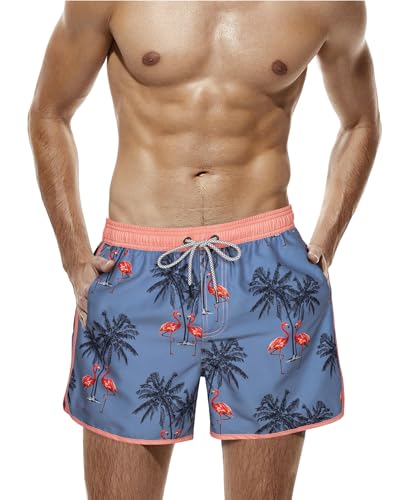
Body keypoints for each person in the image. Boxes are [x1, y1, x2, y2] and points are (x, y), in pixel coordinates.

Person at [28, 1, 380, 499]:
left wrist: (327, 240)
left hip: (265, 274)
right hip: (136, 271)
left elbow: (361, 121)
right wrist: (73, 255)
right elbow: (49, 112)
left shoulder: (327, 4)